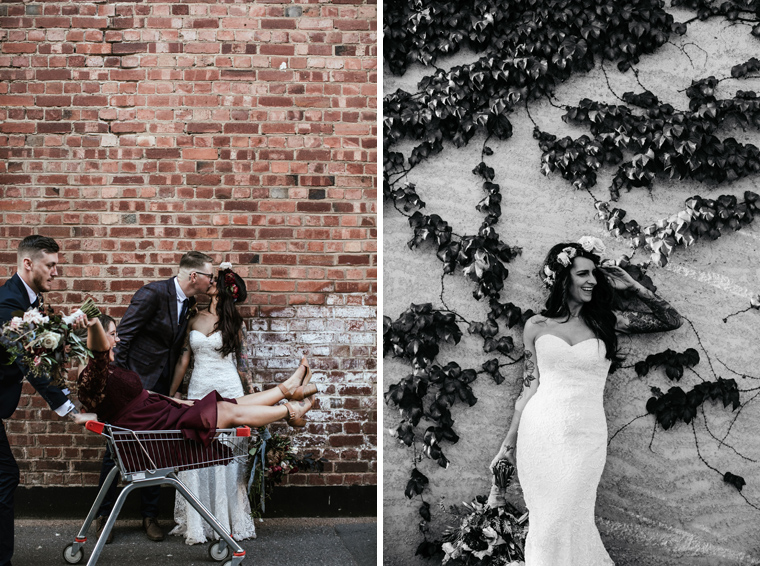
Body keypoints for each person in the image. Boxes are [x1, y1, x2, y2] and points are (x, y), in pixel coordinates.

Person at [489, 238, 682, 566]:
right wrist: (508, 443)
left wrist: (633, 286)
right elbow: (529, 386)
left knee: (569, 516)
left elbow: (670, 319)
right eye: (583, 274)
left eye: (594, 273)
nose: (592, 280)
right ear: (564, 278)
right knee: (546, 525)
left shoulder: (607, 322)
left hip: (585, 436)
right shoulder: (536, 326)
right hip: (540, 434)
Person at [167, 264, 314, 545]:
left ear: (222, 290)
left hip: (229, 386)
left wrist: (251, 398)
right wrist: (170, 395)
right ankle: (199, 523)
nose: (209, 283)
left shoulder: (234, 324)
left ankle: (227, 520)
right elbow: (184, 359)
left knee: (228, 458)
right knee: (196, 453)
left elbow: (242, 366)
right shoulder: (193, 318)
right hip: (199, 388)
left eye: (215, 281)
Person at [92, 251, 215, 543]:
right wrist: (119, 384)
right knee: (116, 451)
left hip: (160, 388)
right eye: (210, 275)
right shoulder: (152, 294)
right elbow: (124, 339)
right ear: (194, 276)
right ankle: (103, 517)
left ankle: (150, 516)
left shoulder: (189, 304)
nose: (213, 281)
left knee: (154, 451)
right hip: (131, 387)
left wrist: (171, 390)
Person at [0, 236, 78, 566]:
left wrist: (68, 328)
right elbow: (29, 359)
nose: (56, 272)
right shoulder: (8, 304)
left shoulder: (30, 303)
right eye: (51, 265)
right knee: (5, 476)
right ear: (28, 264)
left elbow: (42, 350)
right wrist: (67, 408)